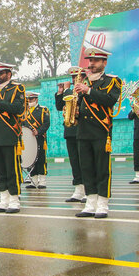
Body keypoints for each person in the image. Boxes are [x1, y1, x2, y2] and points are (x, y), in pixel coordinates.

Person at [74, 48, 122, 218]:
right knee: (86, 168)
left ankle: (102, 204)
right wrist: (75, 110)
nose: (91, 64)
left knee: (102, 168)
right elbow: (79, 104)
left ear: (104, 62)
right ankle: (90, 203)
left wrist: (87, 91)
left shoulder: (112, 81)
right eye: (90, 61)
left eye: (95, 61)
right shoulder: (84, 81)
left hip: (101, 130)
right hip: (83, 131)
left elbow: (109, 100)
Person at [0, 62, 27, 214]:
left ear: (9, 74)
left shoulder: (17, 88)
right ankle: (3, 199)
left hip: (9, 133)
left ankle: (14, 200)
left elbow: (17, 109)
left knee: (11, 169)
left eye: (1, 73)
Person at [55, 67, 86, 203]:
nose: (74, 80)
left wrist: (67, 91)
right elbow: (59, 106)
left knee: (83, 161)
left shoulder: (84, 90)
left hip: (82, 130)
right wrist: (60, 92)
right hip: (70, 130)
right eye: (73, 78)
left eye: (77, 77)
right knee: (74, 162)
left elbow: (76, 102)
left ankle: (87, 189)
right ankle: (78, 189)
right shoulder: (70, 91)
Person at [23, 91, 50, 189]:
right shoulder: (25, 111)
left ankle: (42, 180)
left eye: (32, 99)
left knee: (41, 158)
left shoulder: (43, 110)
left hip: (39, 137)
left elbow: (46, 124)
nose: (30, 101)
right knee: (31, 158)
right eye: (28, 99)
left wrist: (38, 131)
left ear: (36, 99)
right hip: (29, 139)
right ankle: (33, 180)